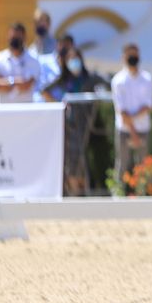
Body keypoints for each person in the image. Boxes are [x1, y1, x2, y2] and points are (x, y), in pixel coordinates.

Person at [49, 46, 101, 196]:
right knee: (70, 158)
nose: (73, 62)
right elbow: (45, 90)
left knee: (82, 157)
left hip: (85, 123)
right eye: (70, 59)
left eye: (76, 59)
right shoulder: (64, 79)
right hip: (68, 124)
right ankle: (74, 190)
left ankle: (84, 189)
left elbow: (104, 83)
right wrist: (58, 104)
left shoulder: (88, 78)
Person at [111, 43, 152, 189]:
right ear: (123, 57)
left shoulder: (147, 78)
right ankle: (119, 194)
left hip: (143, 128)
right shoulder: (118, 80)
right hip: (124, 129)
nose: (133, 58)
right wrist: (132, 131)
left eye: (135, 54)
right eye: (129, 55)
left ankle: (145, 193)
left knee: (144, 164)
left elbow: (148, 106)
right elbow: (121, 110)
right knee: (122, 163)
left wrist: (134, 119)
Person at [0, 22, 41, 103]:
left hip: (25, 110)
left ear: (24, 38)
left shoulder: (33, 59)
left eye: (17, 37)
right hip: (2, 111)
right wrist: (14, 81)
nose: (14, 40)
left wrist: (3, 81)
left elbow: (26, 85)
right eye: (12, 37)